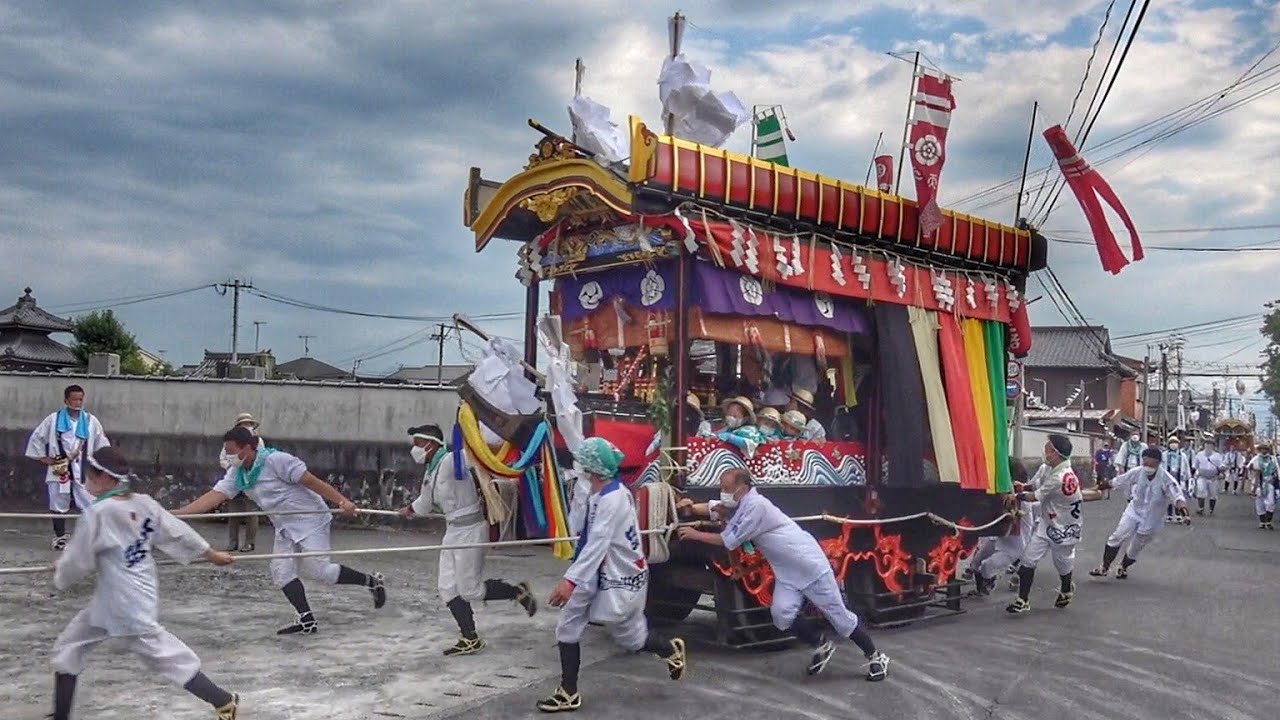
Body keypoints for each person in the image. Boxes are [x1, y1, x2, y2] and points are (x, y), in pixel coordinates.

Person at [49, 447, 240, 720]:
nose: (87, 480)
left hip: (124, 602)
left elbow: (79, 560)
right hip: (125, 593)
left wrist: (62, 573)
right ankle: (60, 715)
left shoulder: (99, 513)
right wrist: (210, 554)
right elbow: (176, 531)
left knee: (166, 656)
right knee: (69, 646)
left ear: (106, 478)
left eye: (90, 474)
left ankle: (223, 700)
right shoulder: (144, 503)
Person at [679, 467, 890, 680]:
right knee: (781, 616)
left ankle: (876, 657)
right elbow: (717, 507)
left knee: (841, 620)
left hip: (810, 567)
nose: (722, 492)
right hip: (787, 574)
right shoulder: (741, 503)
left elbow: (728, 540)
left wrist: (695, 534)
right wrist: (691, 507)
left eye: (726, 488)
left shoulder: (756, 507)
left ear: (742, 488)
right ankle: (821, 644)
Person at [175, 426, 386, 635]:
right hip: (284, 525)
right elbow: (213, 497)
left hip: (310, 519)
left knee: (319, 571)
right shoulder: (237, 474)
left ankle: (372, 581)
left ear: (247, 448)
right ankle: (306, 619)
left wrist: (342, 501)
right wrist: (178, 514)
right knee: (281, 571)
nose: (228, 456)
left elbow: (311, 481)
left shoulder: (276, 461)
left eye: (231, 451)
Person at [538, 437, 686, 713]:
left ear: (591, 468)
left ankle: (669, 649)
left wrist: (569, 581)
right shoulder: (599, 493)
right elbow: (589, 541)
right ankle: (568, 691)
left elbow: (598, 543)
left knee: (630, 639)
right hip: (593, 572)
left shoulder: (612, 499)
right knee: (567, 627)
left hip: (620, 576)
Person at [399, 423, 536, 656]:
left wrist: (498, 433)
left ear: (431, 444)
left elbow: (478, 452)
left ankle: (515, 592)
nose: (415, 449)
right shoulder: (431, 470)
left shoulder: (454, 461)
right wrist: (409, 510)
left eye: (418, 444)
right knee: (447, 587)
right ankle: (470, 637)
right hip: (452, 531)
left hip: (471, 530)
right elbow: (424, 503)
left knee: (469, 590)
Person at [1007, 434, 1099, 614]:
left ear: (1056, 454)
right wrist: (1022, 487)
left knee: (1062, 564)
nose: (1045, 452)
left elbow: (1035, 496)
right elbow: (1034, 486)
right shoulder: (1048, 469)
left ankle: (1066, 588)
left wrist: (1016, 496)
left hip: (1064, 527)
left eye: (1048, 449)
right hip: (1046, 523)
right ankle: (1022, 600)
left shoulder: (1061, 477)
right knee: (1028, 559)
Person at [25, 384, 111, 550]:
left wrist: (104, 465)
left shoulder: (90, 421)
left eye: (81, 399)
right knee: (58, 500)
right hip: (60, 466)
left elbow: (102, 444)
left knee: (91, 501)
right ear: (66, 400)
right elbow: (37, 437)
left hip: (84, 467)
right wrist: (44, 458)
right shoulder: (54, 419)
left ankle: (93, 539)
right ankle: (59, 537)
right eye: (75, 399)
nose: (78, 402)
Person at [1091, 448, 1188, 579]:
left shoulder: (1166, 479)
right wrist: (1100, 486)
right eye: (1145, 463)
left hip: (1152, 518)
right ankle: (1104, 567)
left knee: (1135, 547)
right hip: (1134, 511)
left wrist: (1184, 513)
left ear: (1159, 463)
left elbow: (1177, 498)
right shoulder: (1137, 472)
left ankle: (1123, 566)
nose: (1148, 467)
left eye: (1151, 464)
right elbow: (1119, 481)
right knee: (1117, 536)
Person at [969, 459, 1037, 596]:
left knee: (987, 566)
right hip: (997, 538)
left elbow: (1013, 514)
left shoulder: (1021, 500)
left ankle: (989, 582)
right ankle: (981, 588)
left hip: (1014, 545)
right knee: (975, 563)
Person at [216, 412, 263, 552]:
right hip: (235, 478)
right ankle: (233, 542)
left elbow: (259, 458)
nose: (247, 426)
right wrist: (231, 466)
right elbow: (223, 458)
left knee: (251, 513)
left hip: (251, 480)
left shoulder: (258, 441)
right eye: (244, 424)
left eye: (249, 424)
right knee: (233, 513)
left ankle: (249, 542)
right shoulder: (231, 441)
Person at [1248, 444, 1278, 529]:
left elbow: (1277, 470)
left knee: (1271, 503)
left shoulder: (1273, 459)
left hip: (1270, 483)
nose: (1263, 451)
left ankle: (1269, 521)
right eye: (1262, 449)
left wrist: (1276, 479)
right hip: (1258, 483)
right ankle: (1262, 521)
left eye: (1265, 449)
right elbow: (1249, 468)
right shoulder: (1256, 459)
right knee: (1259, 502)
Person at [1191, 442, 1225, 515]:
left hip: (1213, 477)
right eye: (1206, 445)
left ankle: (1211, 510)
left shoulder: (1217, 456)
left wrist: (1222, 471)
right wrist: (1192, 475)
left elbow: (1221, 465)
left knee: (1213, 494)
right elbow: (1195, 466)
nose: (1208, 447)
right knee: (1201, 491)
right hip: (1202, 476)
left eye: (1210, 445)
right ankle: (1201, 508)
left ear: (1213, 446)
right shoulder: (1199, 455)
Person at [1163, 436, 1192, 519]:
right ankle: (1169, 514)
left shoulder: (1183, 456)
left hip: (1179, 478)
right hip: (1168, 477)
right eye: (1171, 443)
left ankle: (1178, 514)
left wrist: (1188, 479)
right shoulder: (1164, 455)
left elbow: (1187, 468)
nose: (1173, 445)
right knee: (1168, 496)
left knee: (1178, 496)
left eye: (1175, 443)